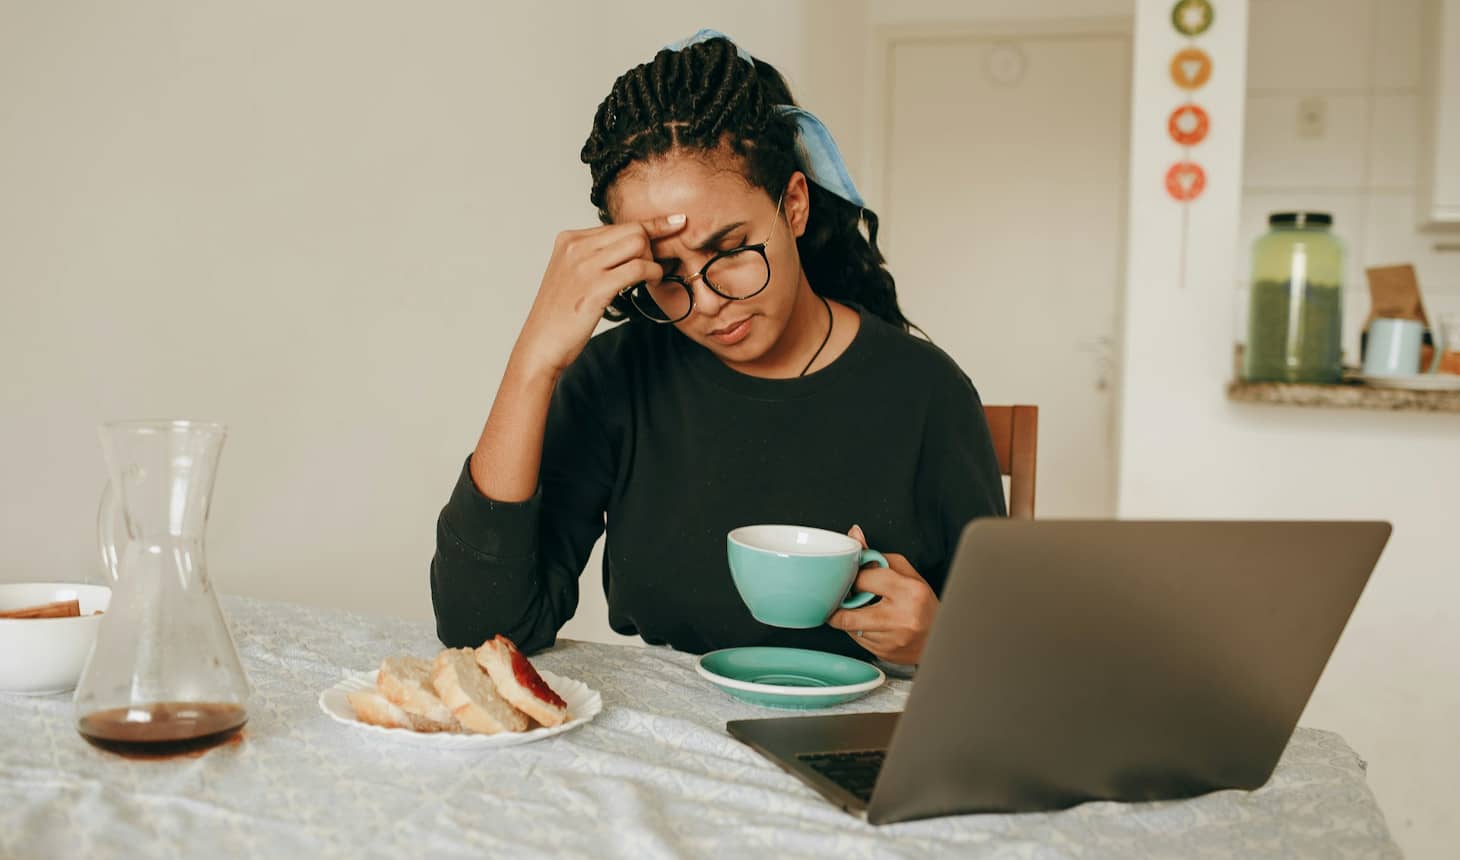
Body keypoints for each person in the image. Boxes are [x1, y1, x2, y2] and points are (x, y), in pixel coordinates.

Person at [430, 31, 1005, 666]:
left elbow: (1004, 660)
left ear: (793, 205)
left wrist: (941, 638)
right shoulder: (616, 379)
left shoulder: (926, 394)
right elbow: (482, 627)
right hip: (664, 720)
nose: (704, 302)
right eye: (667, 270)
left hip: (864, 722)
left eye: (730, 250)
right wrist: (534, 361)